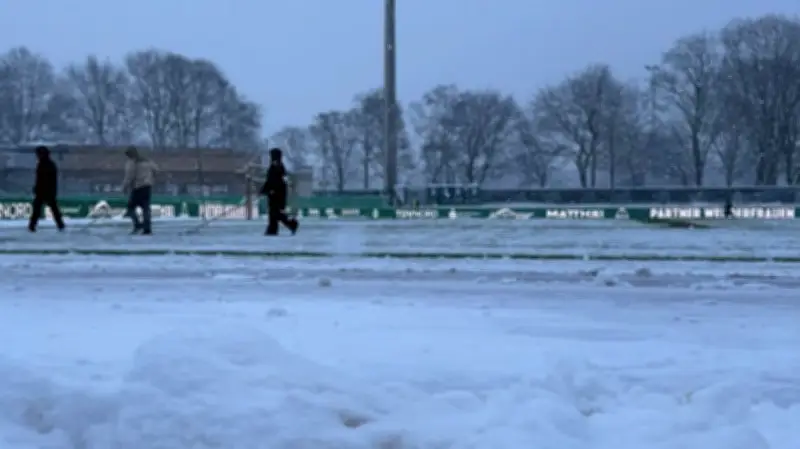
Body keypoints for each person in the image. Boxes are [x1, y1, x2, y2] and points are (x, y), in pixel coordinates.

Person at [260, 148, 298, 236]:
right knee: (273, 213)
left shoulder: (278, 167)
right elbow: (269, 181)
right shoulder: (275, 167)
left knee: (276, 213)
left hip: (277, 195)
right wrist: (265, 190)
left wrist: (270, 190)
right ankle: (272, 229)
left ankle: (291, 224)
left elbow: (276, 182)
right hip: (274, 194)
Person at [121, 146, 158, 235]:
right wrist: (151, 178)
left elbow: (129, 177)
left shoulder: (132, 163)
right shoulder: (147, 161)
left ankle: (137, 225)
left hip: (137, 187)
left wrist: (124, 187)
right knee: (146, 208)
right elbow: (156, 169)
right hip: (147, 186)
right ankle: (147, 228)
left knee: (130, 208)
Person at [28, 145, 65, 232]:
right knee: (53, 209)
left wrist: (37, 188)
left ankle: (32, 226)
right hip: (47, 191)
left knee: (39, 209)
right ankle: (60, 225)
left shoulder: (44, 165)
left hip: (44, 191)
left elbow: (42, 179)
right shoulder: (49, 164)